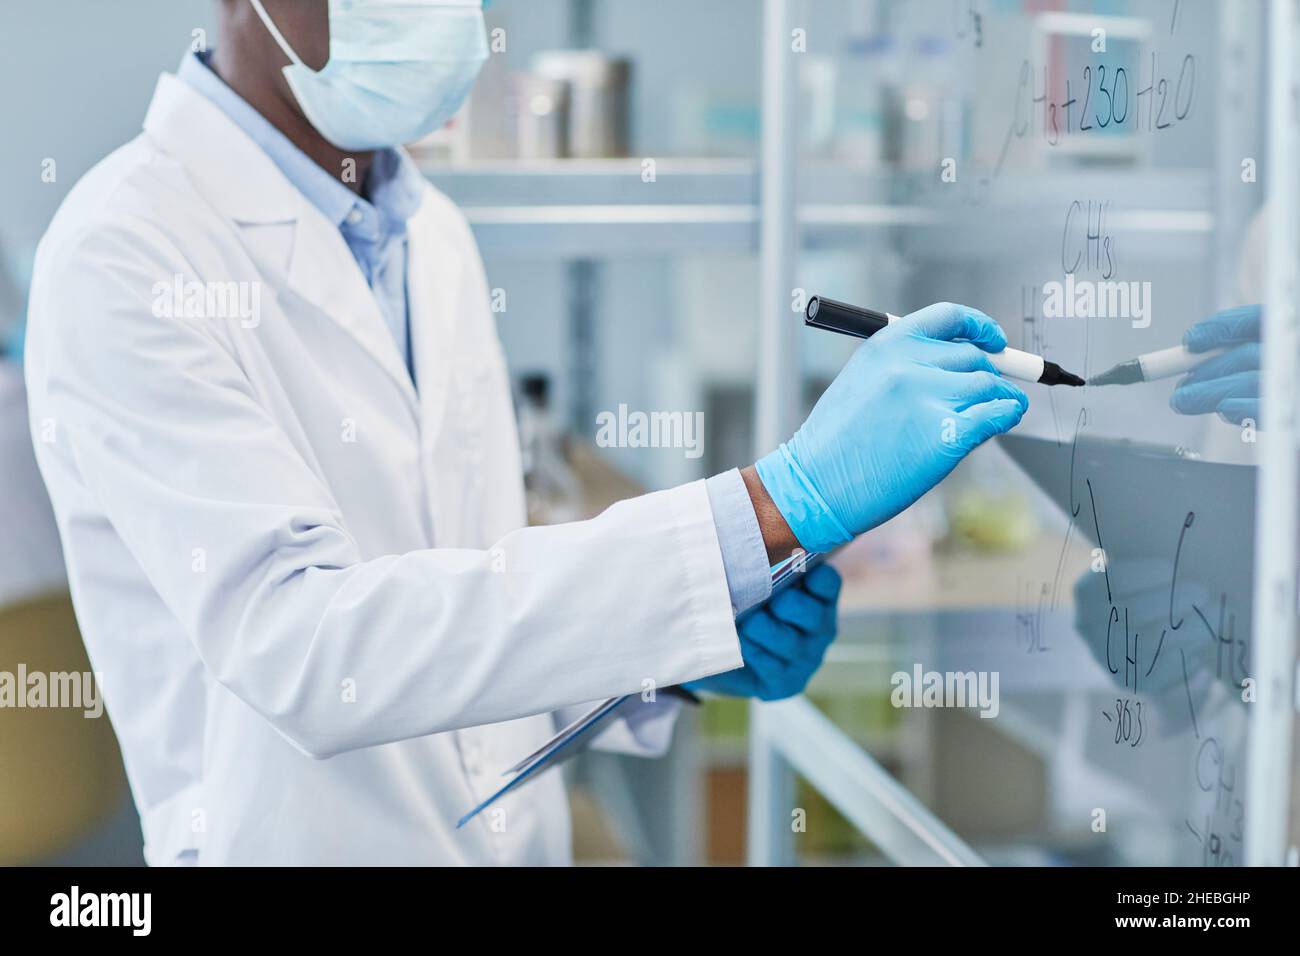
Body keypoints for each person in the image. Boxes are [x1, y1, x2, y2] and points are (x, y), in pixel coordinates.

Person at [23, 0, 1027, 865]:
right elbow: (308, 650)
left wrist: (664, 657)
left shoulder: (431, 233)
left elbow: (475, 604)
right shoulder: (126, 250)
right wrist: (769, 508)